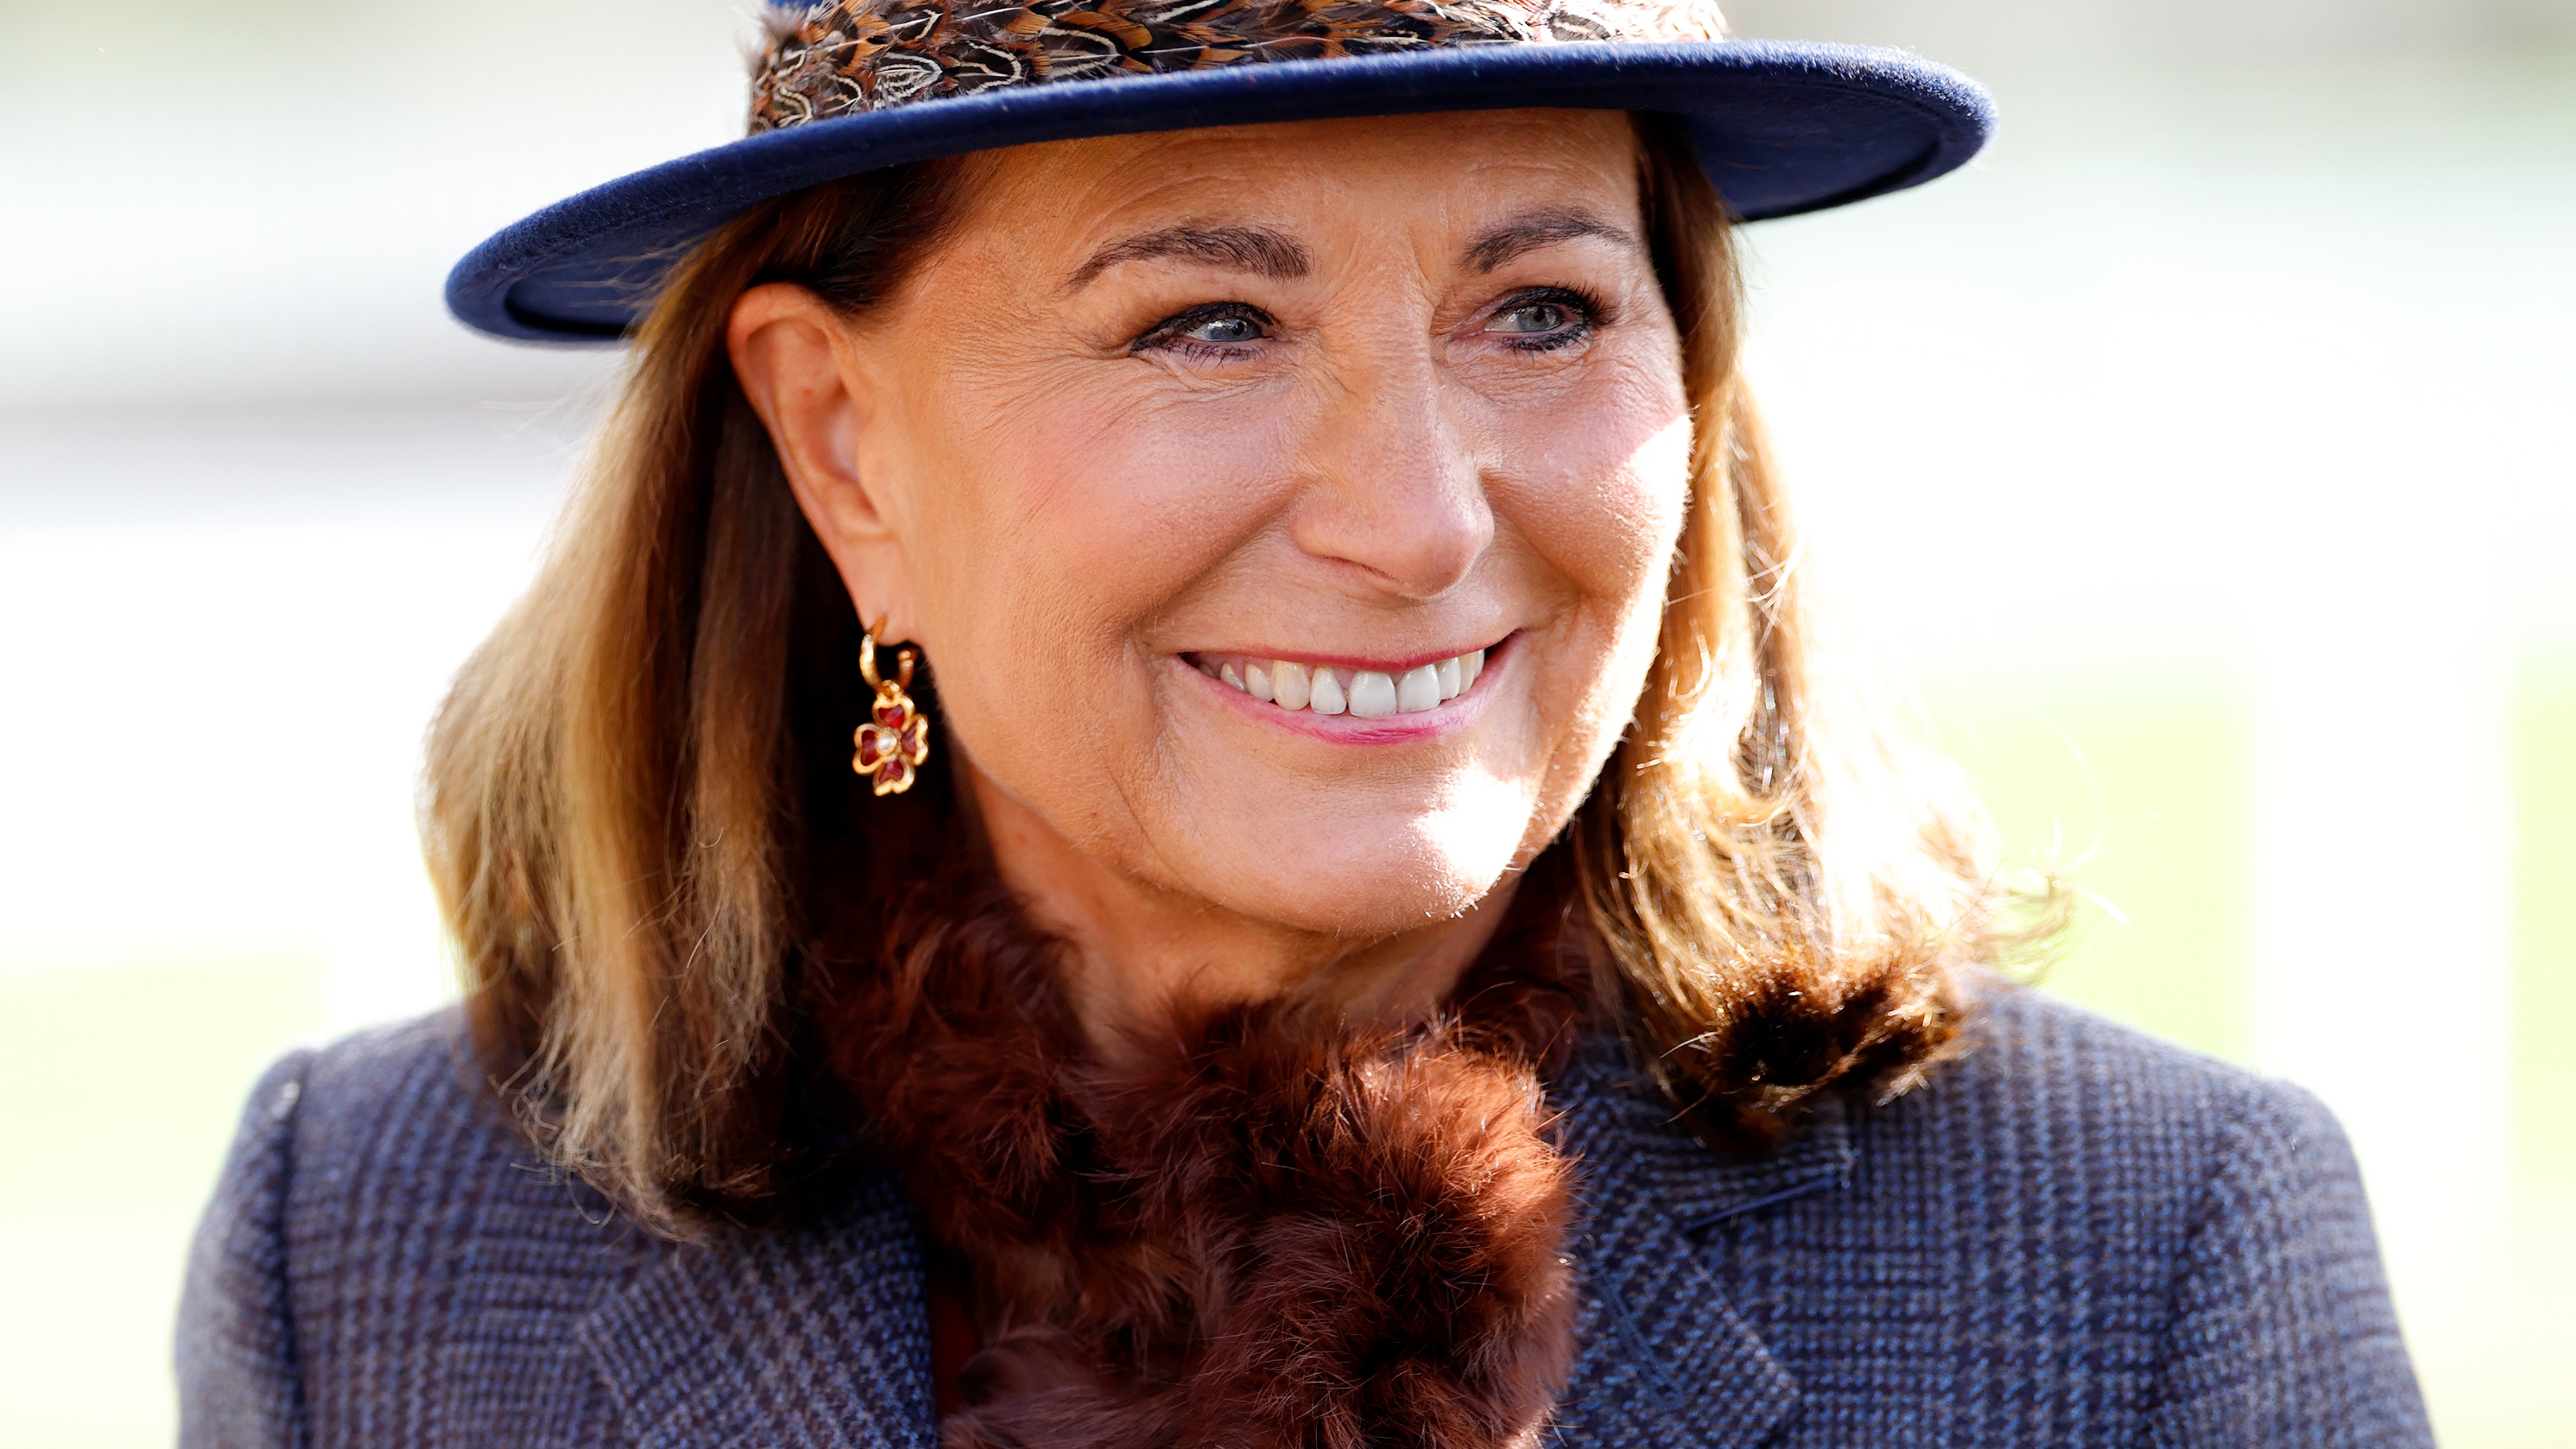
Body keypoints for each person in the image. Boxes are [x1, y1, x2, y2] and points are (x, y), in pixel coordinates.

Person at [176, 1, 2434, 1444]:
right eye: (1207, 327)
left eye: (1541, 308)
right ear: (839, 440)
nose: (1416, 518)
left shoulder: (2148, 1263)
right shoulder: (372, 1255)